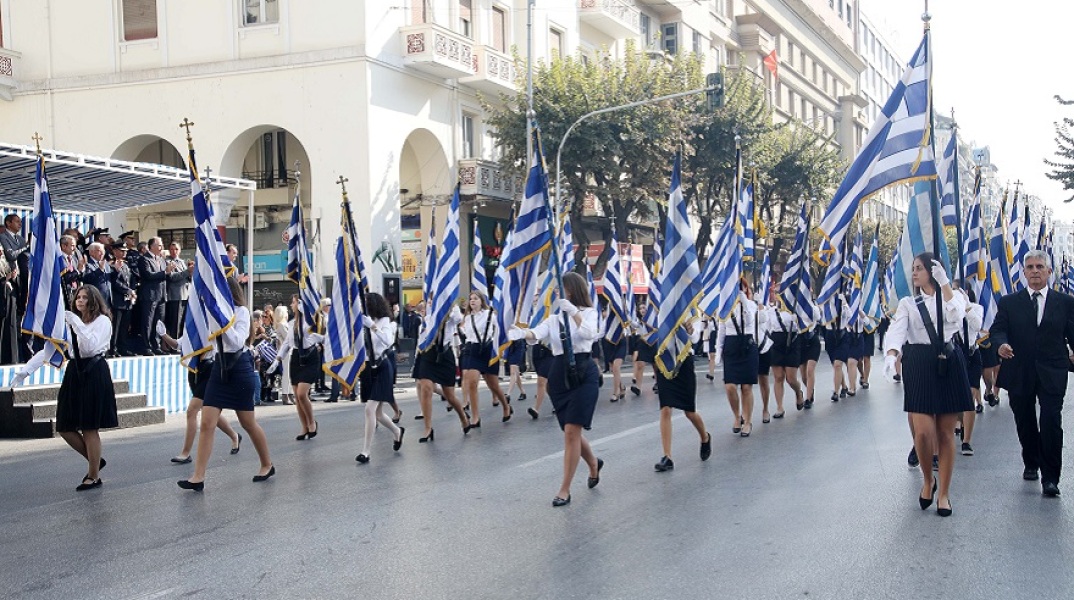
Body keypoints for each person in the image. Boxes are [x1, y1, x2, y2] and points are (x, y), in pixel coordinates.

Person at [883, 253, 971, 516]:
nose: (915, 273)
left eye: (920, 268)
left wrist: (945, 285)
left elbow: (957, 318)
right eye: (914, 269)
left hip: (948, 361)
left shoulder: (953, 298)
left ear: (934, 270)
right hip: (920, 363)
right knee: (922, 432)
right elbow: (897, 331)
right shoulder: (909, 303)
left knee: (945, 433)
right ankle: (927, 480)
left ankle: (943, 492)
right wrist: (891, 354)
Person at [11, 285, 118, 491]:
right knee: (65, 425)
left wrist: (76, 323)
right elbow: (49, 351)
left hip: (94, 370)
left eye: (85, 297)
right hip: (75, 372)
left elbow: (90, 346)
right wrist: (25, 371)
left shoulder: (102, 321)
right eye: (78, 297)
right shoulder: (69, 324)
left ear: (93, 301)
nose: (80, 301)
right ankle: (94, 460)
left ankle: (93, 475)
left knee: (89, 426)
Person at [510, 272, 602, 506]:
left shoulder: (589, 313)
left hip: (583, 371)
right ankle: (593, 463)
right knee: (570, 431)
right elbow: (537, 334)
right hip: (559, 374)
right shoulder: (554, 318)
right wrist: (522, 333)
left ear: (573, 289)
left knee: (572, 431)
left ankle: (564, 489)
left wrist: (574, 312)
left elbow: (589, 334)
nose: (558, 292)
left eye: (562, 288)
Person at [990, 250, 1074, 498]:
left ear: (1049, 271)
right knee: (1025, 420)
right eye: (1030, 267)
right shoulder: (1009, 303)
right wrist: (1001, 345)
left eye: (1040, 266)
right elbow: (997, 331)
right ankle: (1031, 460)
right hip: (1019, 370)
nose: (1035, 271)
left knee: (1050, 421)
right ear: (1024, 273)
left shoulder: (1065, 302)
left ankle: (1051, 478)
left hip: (1052, 371)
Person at [178, 277, 274, 491]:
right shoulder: (212, 312)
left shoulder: (241, 313)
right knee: (207, 422)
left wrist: (223, 323)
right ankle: (198, 477)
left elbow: (237, 341)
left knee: (248, 423)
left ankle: (267, 464)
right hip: (218, 369)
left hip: (239, 368)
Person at [157, 321, 242, 463]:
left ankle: (185, 453)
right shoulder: (194, 326)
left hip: (210, 369)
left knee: (192, 411)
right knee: (208, 409)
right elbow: (178, 345)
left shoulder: (213, 326)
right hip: (195, 371)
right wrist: (163, 334)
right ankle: (234, 435)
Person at [653, 313, 711, 472]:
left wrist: (690, 330)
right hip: (666, 359)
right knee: (665, 408)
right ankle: (667, 456)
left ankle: (705, 437)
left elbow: (695, 339)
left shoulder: (692, 312)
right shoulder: (665, 307)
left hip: (684, 362)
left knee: (689, 412)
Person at [355, 293, 405, 463]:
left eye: (366, 303)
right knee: (377, 413)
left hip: (383, 366)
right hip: (369, 367)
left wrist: (373, 327)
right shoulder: (363, 322)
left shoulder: (386, 322)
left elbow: (388, 341)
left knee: (369, 410)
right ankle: (397, 432)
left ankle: (366, 452)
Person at [273, 294, 323, 440]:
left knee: (302, 394)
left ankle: (312, 422)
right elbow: (288, 343)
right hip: (296, 358)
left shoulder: (310, 321)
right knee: (297, 396)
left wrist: (321, 344)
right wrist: (278, 358)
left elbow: (318, 336)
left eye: (294, 302)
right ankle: (304, 426)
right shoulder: (292, 323)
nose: (291, 305)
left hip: (309, 357)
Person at [459, 292, 511, 425]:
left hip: (487, 350)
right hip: (472, 350)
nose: (472, 301)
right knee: (472, 382)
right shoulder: (467, 318)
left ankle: (506, 406)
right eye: (471, 299)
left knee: (493, 384)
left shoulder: (490, 315)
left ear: (482, 301)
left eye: (475, 299)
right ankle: (476, 417)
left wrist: (500, 349)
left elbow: (501, 331)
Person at [716, 280, 760, 437]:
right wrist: (718, 351)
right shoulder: (724, 307)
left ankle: (748, 421)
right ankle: (737, 416)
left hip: (747, 345)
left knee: (746, 388)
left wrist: (742, 298)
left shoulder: (751, 305)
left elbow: (749, 318)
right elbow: (721, 329)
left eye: (742, 287)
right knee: (730, 387)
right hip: (731, 345)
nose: (738, 290)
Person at [954, 284, 984, 456]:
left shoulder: (976, 308)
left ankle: (967, 441)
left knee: (969, 397)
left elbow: (977, 325)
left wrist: (966, 305)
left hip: (973, 355)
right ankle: (959, 422)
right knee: (957, 397)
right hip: (957, 355)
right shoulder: (950, 309)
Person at [138, 237, 174, 355]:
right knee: (148, 321)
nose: (161, 247)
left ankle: (156, 344)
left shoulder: (161, 259)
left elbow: (166, 276)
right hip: (150, 295)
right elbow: (148, 275)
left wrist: (170, 271)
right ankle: (146, 345)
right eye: (158, 245)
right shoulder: (144, 259)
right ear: (151, 246)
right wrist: (165, 272)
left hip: (161, 295)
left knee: (158, 321)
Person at [768, 300, 805, 414]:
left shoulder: (795, 309)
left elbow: (807, 323)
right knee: (778, 377)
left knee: (790, 378)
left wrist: (797, 321)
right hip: (776, 342)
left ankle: (798, 392)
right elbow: (767, 326)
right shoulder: (771, 311)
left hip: (792, 341)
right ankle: (780, 407)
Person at [110, 244, 136, 357]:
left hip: (127, 300)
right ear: (115, 251)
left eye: (125, 251)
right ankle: (113, 348)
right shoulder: (111, 265)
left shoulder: (125, 265)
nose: (124, 253)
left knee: (125, 327)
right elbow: (114, 282)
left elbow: (130, 280)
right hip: (117, 300)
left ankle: (123, 347)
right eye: (121, 250)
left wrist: (132, 291)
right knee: (116, 326)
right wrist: (128, 290)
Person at [163, 242, 192, 339]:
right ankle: (173, 343)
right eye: (171, 249)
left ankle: (180, 341)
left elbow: (186, 277)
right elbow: (172, 277)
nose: (174, 251)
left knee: (182, 321)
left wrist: (191, 273)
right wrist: (187, 271)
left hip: (185, 294)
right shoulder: (167, 261)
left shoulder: (181, 261)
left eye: (176, 249)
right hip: (175, 295)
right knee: (175, 322)